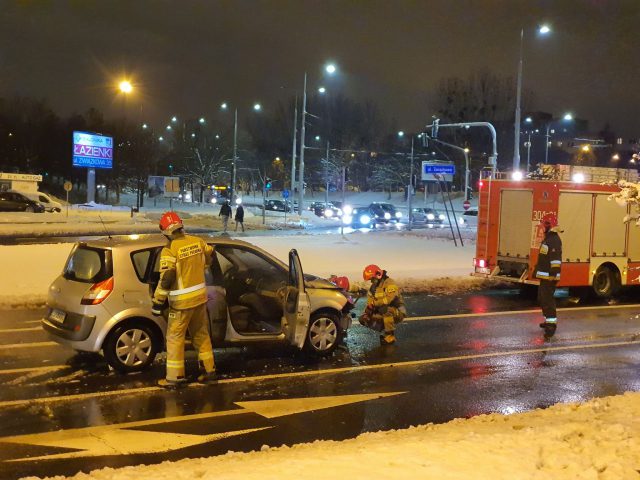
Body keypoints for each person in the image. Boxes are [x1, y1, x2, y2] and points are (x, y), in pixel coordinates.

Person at [151, 211, 217, 388]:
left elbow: (167, 278)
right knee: (201, 334)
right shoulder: (197, 241)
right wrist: (205, 265)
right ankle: (209, 371)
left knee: (175, 338)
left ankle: (175, 377)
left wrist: (158, 302)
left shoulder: (169, 250)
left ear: (165, 230)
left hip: (180, 305)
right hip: (200, 300)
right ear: (181, 225)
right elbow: (211, 253)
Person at [333, 265, 406, 345]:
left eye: (372, 279)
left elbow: (388, 300)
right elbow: (370, 302)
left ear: (378, 275)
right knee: (363, 319)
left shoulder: (389, 283)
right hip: (382, 310)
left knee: (385, 309)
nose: (371, 281)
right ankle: (385, 331)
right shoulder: (373, 288)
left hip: (397, 312)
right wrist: (367, 312)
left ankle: (390, 336)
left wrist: (374, 304)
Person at [535, 213, 563, 337]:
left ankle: (551, 325)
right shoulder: (549, 238)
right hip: (545, 276)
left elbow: (555, 260)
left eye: (544, 224)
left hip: (549, 277)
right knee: (542, 299)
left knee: (548, 300)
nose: (542, 227)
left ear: (549, 225)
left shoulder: (554, 240)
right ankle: (548, 320)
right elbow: (544, 258)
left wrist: (553, 274)